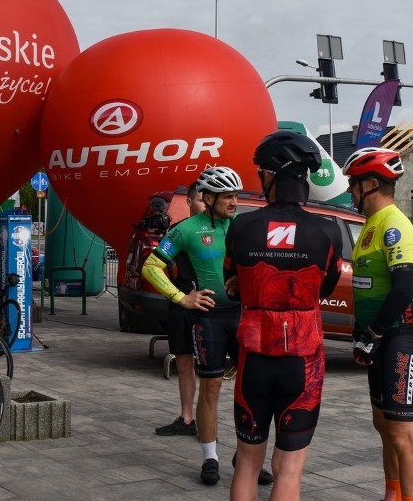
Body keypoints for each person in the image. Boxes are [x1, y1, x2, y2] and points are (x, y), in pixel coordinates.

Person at [224, 131, 342, 500]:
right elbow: (325, 289)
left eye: (262, 171)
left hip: (254, 359)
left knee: (246, 461)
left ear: (273, 174)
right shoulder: (328, 230)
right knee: (290, 468)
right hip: (302, 363)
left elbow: (234, 280)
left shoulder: (241, 226)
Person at [142, 167, 272, 487]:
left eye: (236, 195)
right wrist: (181, 297)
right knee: (211, 388)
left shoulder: (241, 226)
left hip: (243, 317)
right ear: (209, 197)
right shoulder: (186, 230)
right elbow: (151, 266)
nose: (234, 202)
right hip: (209, 319)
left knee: (252, 388)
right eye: (228, 196)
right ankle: (209, 457)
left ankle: (244, 454)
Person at [342, 147, 413, 501]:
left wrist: (373, 335)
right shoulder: (370, 225)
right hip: (378, 336)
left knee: (401, 432)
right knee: (383, 426)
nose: (350, 192)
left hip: (401, 335)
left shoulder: (394, 224)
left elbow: (400, 290)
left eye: (353, 185)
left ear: (372, 183)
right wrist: (361, 334)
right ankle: (391, 495)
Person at [153, 182, 205, 438]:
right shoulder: (178, 232)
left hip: (212, 307)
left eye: (209, 199)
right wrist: (179, 297)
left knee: (212, 369)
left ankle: (209, 421)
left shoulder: (225, 229)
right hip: (183, 303)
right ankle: (187, 418)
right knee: (184, 364)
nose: (205, 205)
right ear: (189, 202)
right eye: (200, 200)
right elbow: (153, 267)